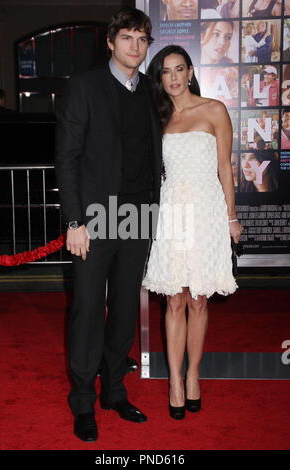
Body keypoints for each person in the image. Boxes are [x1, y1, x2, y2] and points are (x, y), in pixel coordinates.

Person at [55, 7, 162, 442]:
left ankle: (113, 390)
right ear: (111, 42)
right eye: (127, 38)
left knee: (123, 312)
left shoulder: (150, 93)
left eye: (142, 39)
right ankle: (82, 400)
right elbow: (67, 158)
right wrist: (74, 220)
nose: (135, 46)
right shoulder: (83, 87)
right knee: (86, 312)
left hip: (139, 215)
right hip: (95, 218)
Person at [142, 45, 243, 420]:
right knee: (175, 299)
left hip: (206, 211)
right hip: (174, 213)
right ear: (160, 78)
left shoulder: (214, 109)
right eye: (165, 71)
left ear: (189, 72)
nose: (173, 77)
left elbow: (225, 169)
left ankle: (194, 374)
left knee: (199, 298)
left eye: (179, 69)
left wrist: (231, 217)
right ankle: (174, 383)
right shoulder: (158, 116)